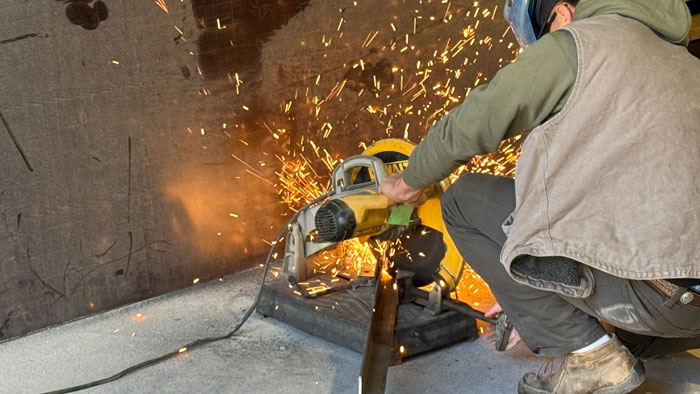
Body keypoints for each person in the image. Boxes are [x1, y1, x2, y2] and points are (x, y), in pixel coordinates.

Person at [379, 0, 700, 393]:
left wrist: (408, 182)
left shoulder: (578, 43)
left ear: (562, 14)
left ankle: (592, 355)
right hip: (688, 313)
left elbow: (474, 121)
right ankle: (618, 338)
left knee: (465, 201)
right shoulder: (684, 63)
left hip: (653, 297)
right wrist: (528, 292)